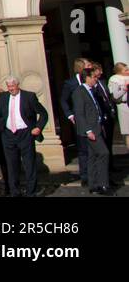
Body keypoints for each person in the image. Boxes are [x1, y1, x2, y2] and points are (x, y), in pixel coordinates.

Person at [0, 75, 48, 197]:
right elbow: (0, 115)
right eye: (8, 86)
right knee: (12, 165)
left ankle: (31, 192)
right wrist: (2, 129)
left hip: (25, 133)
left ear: (18, 85)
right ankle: (15, 192)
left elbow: (43, 113)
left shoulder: (29, 97)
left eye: (12, 86)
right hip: (9, 135)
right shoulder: (3, 97)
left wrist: (38, 127)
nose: (10, 89)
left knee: (29, 164)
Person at [74, 66, 111, 195]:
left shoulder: (92, 90)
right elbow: (79, 114)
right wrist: (88, 130)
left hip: (97, 127)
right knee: (103, 153)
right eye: (94, 77)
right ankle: (103, 184)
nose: (96, 79)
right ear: (87, 77)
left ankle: (93, 184)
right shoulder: (79, 91)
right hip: (91, 130)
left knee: (93, 156)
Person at [59, 57, 91, 185]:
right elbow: (63, 100)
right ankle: (85, 176)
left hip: (93, 118)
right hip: (78, 119)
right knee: (83, 148)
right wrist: (70, 115)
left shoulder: (93, 80)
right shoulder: (70, 83)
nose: (90, 66)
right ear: (81, 67)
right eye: (88, 64)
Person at [109, 62, 129, 140]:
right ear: (119, 71)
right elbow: (116, 95)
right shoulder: (114, 79)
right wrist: (125, 88)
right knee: (128, 131)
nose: (128, 71)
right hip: (124, 106)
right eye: (126, 70)